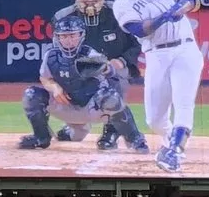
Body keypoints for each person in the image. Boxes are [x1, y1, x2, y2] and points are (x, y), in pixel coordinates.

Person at [111, 0, 202, 171]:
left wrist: (180, 7)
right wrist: (165, 16)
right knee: (154, 119)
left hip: (185, 50)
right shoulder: (121, 4)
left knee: (183, 102)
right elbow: (140, 29)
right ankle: (173, 139)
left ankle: (175, 151)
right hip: (157, 55)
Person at [19, 12, 136, 151]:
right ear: (57, 37)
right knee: (31, 94)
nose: (68, 40)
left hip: (92, 109)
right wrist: (55, 87)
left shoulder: (91, 55)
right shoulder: (51, 56)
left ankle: (119, 136)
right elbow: (44, 78)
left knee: (112, 96)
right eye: (64, 36)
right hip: (66, 106)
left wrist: (105, 67)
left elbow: (111, 75)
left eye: (72, 35)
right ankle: (42, 137)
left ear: (81, 36)